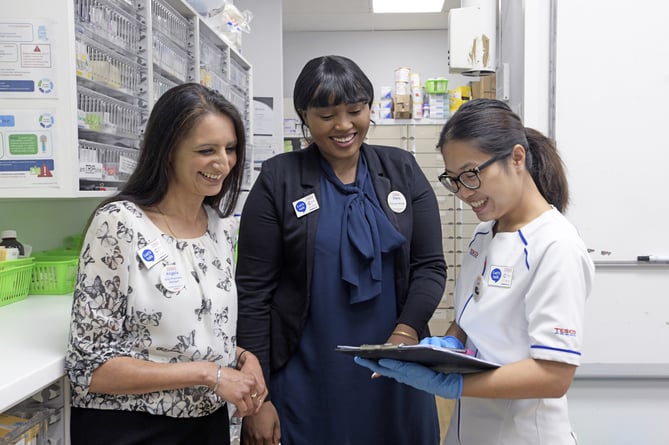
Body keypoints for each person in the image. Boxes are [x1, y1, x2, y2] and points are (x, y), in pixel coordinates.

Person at [356, 98, 595, 444]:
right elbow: (471, 317)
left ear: (516, 157)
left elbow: (554, 375)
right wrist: (448, 343)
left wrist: (454, 384)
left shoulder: (555, 247)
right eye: (453, 180)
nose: (464, 193)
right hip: (469, 431)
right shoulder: (484, 234)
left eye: (471, 175)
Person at [235, 55, 446, 445]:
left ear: (369, 109)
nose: (344, 125)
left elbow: (430, 266)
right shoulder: (279, 179)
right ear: (305, 116)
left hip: (394, 370)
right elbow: (253, 294)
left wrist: (405, 333)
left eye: (355, 110)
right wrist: (257, 398)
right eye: (327, 114)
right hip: (306, 377)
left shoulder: (402, 169)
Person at [65, 82, 267, 445]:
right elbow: (89, 366)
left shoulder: (220, 229)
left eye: (231, 148)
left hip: (207, 425)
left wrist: (242, 359)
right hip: (133, 427)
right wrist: (210, 375)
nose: (223, 163)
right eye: (207, 150)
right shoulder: (121, 224)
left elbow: (183, 336)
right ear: (168, 151)